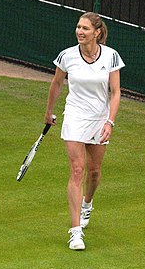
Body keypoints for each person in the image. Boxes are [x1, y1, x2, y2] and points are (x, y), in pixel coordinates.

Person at [44, 12, 125, 250]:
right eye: (78, 27)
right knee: (77, 170)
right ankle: (76, 231)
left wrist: (110, 122)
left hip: (99, 119)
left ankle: (87, 203)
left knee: (94, 172)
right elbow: (57, 83)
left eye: (85, 28)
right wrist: (48, 112)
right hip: (75, 117)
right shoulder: (67, 56)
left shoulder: (111, 57)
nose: (80, 31)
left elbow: (116, 92)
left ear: (97, 32)